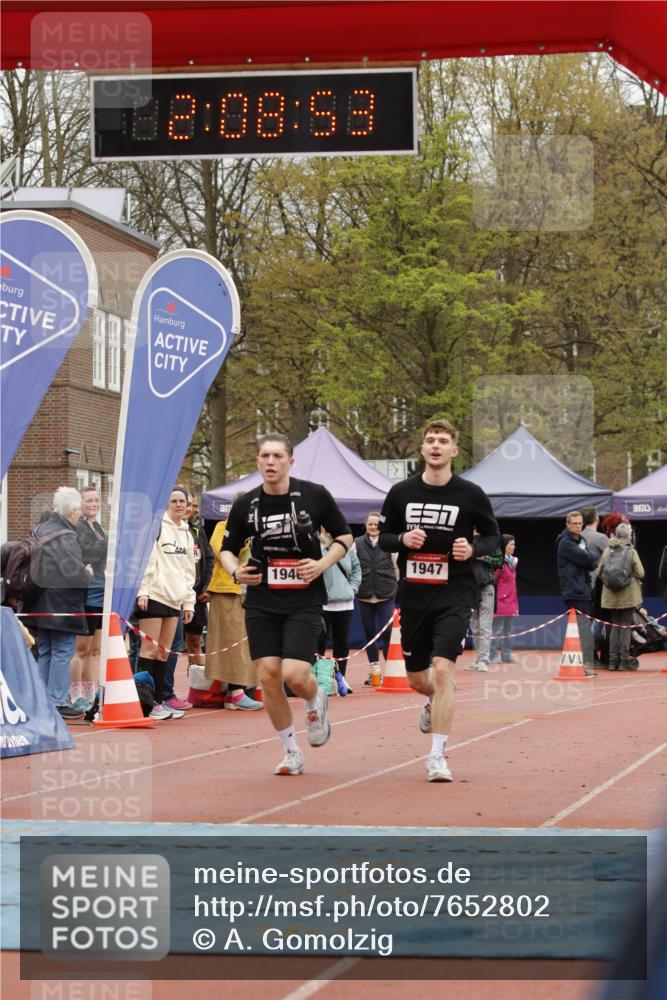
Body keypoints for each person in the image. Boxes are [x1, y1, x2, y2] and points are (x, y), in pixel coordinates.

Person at [220, 434, 352, 776]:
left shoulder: (315, 495)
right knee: (268, 677)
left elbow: (345, 537)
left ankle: (315, 698)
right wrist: (237, 571)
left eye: (277, 456)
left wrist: (321, 565)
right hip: (263, 598)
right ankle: (291, 750)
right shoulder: (246, 504)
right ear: (258, 462)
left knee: (295, 675)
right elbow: (226, 547)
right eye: (264, 455)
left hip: (304, 598)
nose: (270, 462)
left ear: (290, 462)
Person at [379, 418, 500, 783]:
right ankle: (433, 698)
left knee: (444, 671)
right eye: (430, 440)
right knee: (419, 679)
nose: (435, 445)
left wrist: (474, 548)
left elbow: (496, 538)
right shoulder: (400, 493)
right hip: (415, 594)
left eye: (442, 440)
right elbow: (381, 537)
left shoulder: (471, 494)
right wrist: (401, 541)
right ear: (422, 449)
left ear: (454, 450)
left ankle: (436, 757)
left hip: (455, 592)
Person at [22, 486, 93, 720]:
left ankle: (41, 699)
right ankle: (57, 700)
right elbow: (73, 571)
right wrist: (87, 573)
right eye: (79, 511)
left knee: (45, 651)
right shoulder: (66, 535)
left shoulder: (40, 529)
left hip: (38, 600)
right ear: (72, 511)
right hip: (62, 603)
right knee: (62, 651)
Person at [134, 486, 196, 720]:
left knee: (164, 652)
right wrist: (143, 590)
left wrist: (188, 603)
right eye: (174, 501)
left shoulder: (187, 534)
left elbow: (189, 571)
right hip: (154, 595)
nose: (179, 505)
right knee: (149, 649)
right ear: (166, 504)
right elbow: (146, 561)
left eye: (183, 501)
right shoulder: (157, 527)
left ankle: (160, 701)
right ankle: (145, 702)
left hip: (175, 598)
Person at [161, 491, 214, 711]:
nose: (188, 508)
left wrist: (205, 587)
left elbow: (207, 558)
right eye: (183, 503)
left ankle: (197, 688)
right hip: (169, 596)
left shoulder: (195, 530)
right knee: (164, 646)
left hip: (195, 597)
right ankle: (157, 691)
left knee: (192, 642)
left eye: (190, 505)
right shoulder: (167, 529)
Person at [206, 510, 262, 710]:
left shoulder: (255, 530)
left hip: (249, 591)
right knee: (233, 640)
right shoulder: (223, 528)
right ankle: (236, 692)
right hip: (228, 590)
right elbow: (224, 553)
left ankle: (238, 691)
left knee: (247, 641)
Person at [69, 485, 108, 712]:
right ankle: (74, 696)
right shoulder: (80, 528)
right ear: (80, 504)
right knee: (81, 649)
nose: (93, 504)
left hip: (102, 591)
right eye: (89, 501)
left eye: (96, 500)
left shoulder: (98, 527)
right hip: (88, 593)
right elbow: (90, 553)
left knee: (94, 650)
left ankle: (89, 692)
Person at [355, 512, 398, 681]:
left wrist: (398, 587)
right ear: (365, 525)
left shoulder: (390, 543)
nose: (373, 527)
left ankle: (391, 670)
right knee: (369, 633)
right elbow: (352, 567)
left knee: (388, 632)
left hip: (386, 595)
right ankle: (375, 670)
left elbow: (397, 569)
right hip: (365, 596)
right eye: (370, 524)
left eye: (376, 524)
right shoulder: (356, 543)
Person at [316, 530, 362, 687]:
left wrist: (352, 588)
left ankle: (340, 679)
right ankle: (320, 679)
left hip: (345, 603)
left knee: (341, 644)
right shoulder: (316, 547)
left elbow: (356, 569)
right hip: (323, 603)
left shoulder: (347, 549)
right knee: (319, 643)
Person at [556, 510, 599, 677]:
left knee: (583, 630)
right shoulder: (566, 542)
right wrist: (590, 555)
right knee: (582, 631)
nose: (578, 526)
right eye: (574, 523)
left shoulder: (580, 540)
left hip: (583, 589)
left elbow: (591, 564)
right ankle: (583, 667)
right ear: (567, 524)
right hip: (574, 591)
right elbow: (589, 559)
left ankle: (582, 666)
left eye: (580, 523)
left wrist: (588, 556)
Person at [598, 522, 645, 670]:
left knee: (615, 625)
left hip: (611, 595)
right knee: (625, 626)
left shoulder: (607, 550)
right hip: (628, 595)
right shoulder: (631, 551)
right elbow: (641, 573)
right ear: (628, 535)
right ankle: (624, 660)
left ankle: (612, 661)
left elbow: (600, 572)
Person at [467, 531, 503, 672]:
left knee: (485, 626)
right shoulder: (465, 539)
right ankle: (478, 660)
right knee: (474, 626)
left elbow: (499, 561)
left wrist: (484, 557)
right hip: (471, 587)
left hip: (486, 586)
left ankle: (484, 660)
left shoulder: (490, 542)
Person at [490, 534, 519, 663]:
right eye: (510, 544)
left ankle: (506, 656)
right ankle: (492, 656)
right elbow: (494, 580)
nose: (513, 547)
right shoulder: (499, 562)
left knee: (508, 632)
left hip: (511, 601)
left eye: (514, 544)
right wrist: (500, 596)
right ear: (504, 546)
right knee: (496, 631)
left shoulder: (513, 562)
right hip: (500, 602)